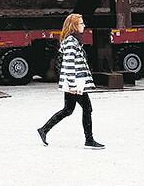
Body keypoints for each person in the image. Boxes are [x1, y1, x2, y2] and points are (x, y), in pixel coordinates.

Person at [37, 13, 104, 149]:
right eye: (81, 23)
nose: (84, 26)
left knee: (68, 109)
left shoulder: (74, 41)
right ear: (73, 26)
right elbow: (68, 64)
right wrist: (73, 85)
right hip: (74, 83)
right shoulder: (70, 42)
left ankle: (44, 129)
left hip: (74, 82)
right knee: (86, 108)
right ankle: (89, 140)